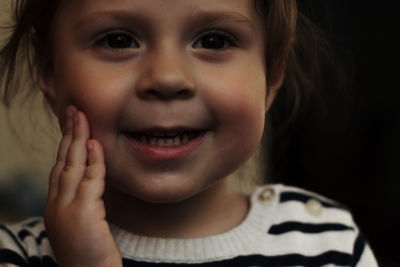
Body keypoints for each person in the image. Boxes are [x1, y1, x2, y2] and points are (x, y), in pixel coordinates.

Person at [0, 0, 378, 266]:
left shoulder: (327, 246)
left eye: (214, 40)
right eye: (118, 40)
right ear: (50, 72)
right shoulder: (15, 254)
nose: (167, 77)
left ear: (271, 74)